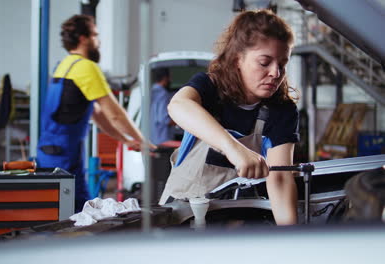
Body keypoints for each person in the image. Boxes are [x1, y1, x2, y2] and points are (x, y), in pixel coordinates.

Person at [159, 9, 300, 225]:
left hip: (235, 219)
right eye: (264, 62)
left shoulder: (282, 109)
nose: (276, 73)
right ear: (237, 60)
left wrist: (291, 240)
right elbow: (178, 105)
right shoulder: (210, 88)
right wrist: (234, 149)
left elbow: (280, 178)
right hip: (182, 215)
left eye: (282, 64)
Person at [37, 14, 146, 212]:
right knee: (72, 213)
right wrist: (143, 140)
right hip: (64, 157)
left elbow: (98, 115)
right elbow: (115, 114)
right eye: (95, 35)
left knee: (73, 210)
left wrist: (126, 140)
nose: (99, 41)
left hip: (50, 153)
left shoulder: (63, 66)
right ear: (83, 38)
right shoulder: (86, 67)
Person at [150, 68, 175, 145]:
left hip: (151, 138)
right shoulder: (163, 94)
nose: (170, 80)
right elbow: (164, 119)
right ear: (165, 78)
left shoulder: (151, 91)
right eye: (170, 77)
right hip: (162, 140)